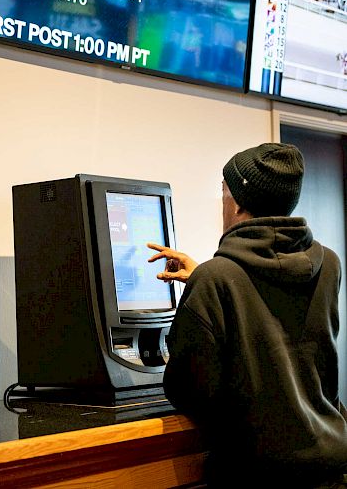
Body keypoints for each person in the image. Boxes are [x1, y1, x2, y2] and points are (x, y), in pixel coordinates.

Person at [147, 143, 347, 488]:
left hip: (255, 475)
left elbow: (189, 391)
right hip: (330, 463)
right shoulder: (328, 264)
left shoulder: (217, 278)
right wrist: (207, 278)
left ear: (238, 201)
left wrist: (209, 283)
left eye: (223, 191)